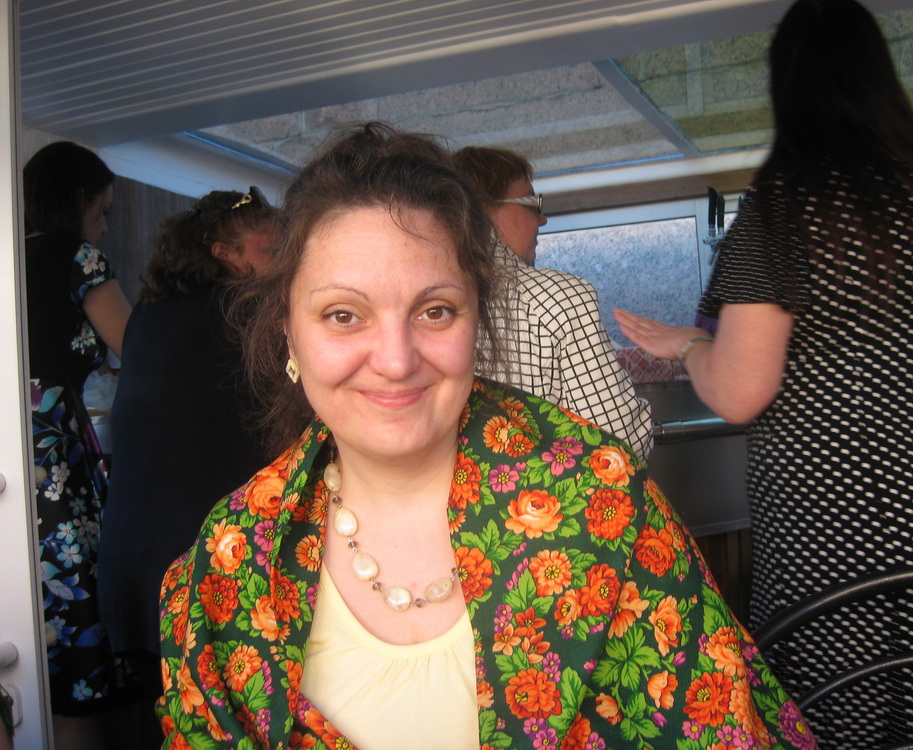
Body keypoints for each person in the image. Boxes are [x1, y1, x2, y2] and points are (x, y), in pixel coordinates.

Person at [154, 122, 814, 749]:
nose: (396, 360)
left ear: (477, 318)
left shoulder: (606, 504)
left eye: (435, 310)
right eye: (343, 315)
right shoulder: (228, 562)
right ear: (288, 332)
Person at [614, 0, 913, 745]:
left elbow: (740, 391)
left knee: (842, 719)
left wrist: (688, 347)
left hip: (838, 537)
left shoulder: (786, 209)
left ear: (786, 87)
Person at [98, 188, 277, 748]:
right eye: (271, 249)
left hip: (133, 561)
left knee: (171, 721)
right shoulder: (242, 313)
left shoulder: (149, 315)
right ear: (225, 253)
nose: (284, 260)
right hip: (196, 563)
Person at [23, 140, 132, 749]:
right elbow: (138, 348)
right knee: (72, 607)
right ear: (78, 200)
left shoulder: (11, 256)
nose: (106, 225)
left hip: (16, 437)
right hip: (52, 451)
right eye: (103, 210)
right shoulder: (79, 258)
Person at [453, 146, 653, 460]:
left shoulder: (428, 300)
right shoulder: (560, 299)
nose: (542, 219)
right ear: (485, 210)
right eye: (533, 204)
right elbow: (621, 445)